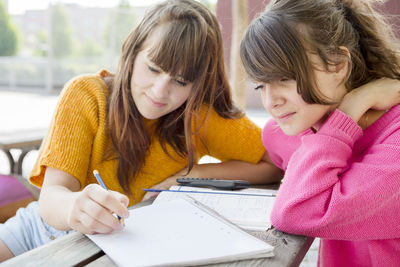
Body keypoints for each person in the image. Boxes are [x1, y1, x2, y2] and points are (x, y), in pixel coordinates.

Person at [0, 0, 284, 262]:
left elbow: (273, 163)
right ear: (132, 52)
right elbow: (51, 198)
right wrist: (76, 206)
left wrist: (188, 177)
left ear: (198, 84)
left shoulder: (196, 117)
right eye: (153, 68)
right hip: (38, 234)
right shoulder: (86, 95)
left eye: (181, 81)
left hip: (114, 252)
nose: (160, 92)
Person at [240, 0, 400, 266]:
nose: (271, 102)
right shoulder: (299, 128)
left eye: (285, 78)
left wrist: (350, 110)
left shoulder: (394, 143)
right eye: (260, 86)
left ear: (338, 65)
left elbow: (295, 212)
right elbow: (276, 140)